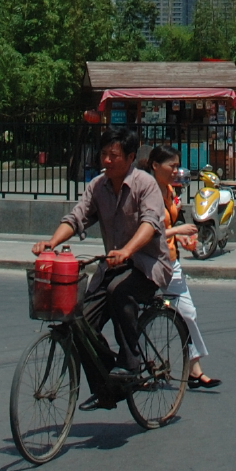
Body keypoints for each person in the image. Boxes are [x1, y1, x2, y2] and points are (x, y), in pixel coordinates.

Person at [32, 127, 172, 377]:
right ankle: (107, 384)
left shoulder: (145, 184)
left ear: (130, 157)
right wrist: (51, 243)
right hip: (113, 266)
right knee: (80, 323)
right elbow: (76, 217)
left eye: (113, 155)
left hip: (148, 266)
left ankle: (130, 362)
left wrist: (127, 250)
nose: (106, 160)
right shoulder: (97, 186)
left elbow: (150, 224)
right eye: (104, 154)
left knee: (118, 291)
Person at [144, 145, 220, 389]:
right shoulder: (146, 192)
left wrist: (180, 237)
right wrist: (177, 231)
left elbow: (168, 227)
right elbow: (146, 232)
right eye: (172, 166)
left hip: (170, 261)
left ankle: (194, 370)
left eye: (178, 166)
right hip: (149, 262)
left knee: (187, 312)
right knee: (137, 315)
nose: (176, 171)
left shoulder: (168, 190)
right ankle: (137, 366)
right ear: (155, 166)